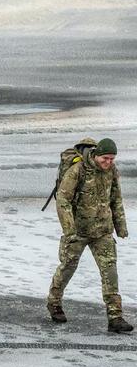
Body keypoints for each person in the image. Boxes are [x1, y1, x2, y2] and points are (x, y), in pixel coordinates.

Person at [48, 137, 131, 332]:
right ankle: (54, 302)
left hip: (102, 231)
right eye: (105, 158)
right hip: (78, 231)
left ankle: (115, 317)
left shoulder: (112, 171)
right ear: (96, 155)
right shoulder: (78, 170)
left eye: (112, 159)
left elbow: (116, 199)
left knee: (110, 272)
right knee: (67, 267)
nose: (108, 162)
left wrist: (120, 226)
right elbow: (63, 200)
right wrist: (69, 230)